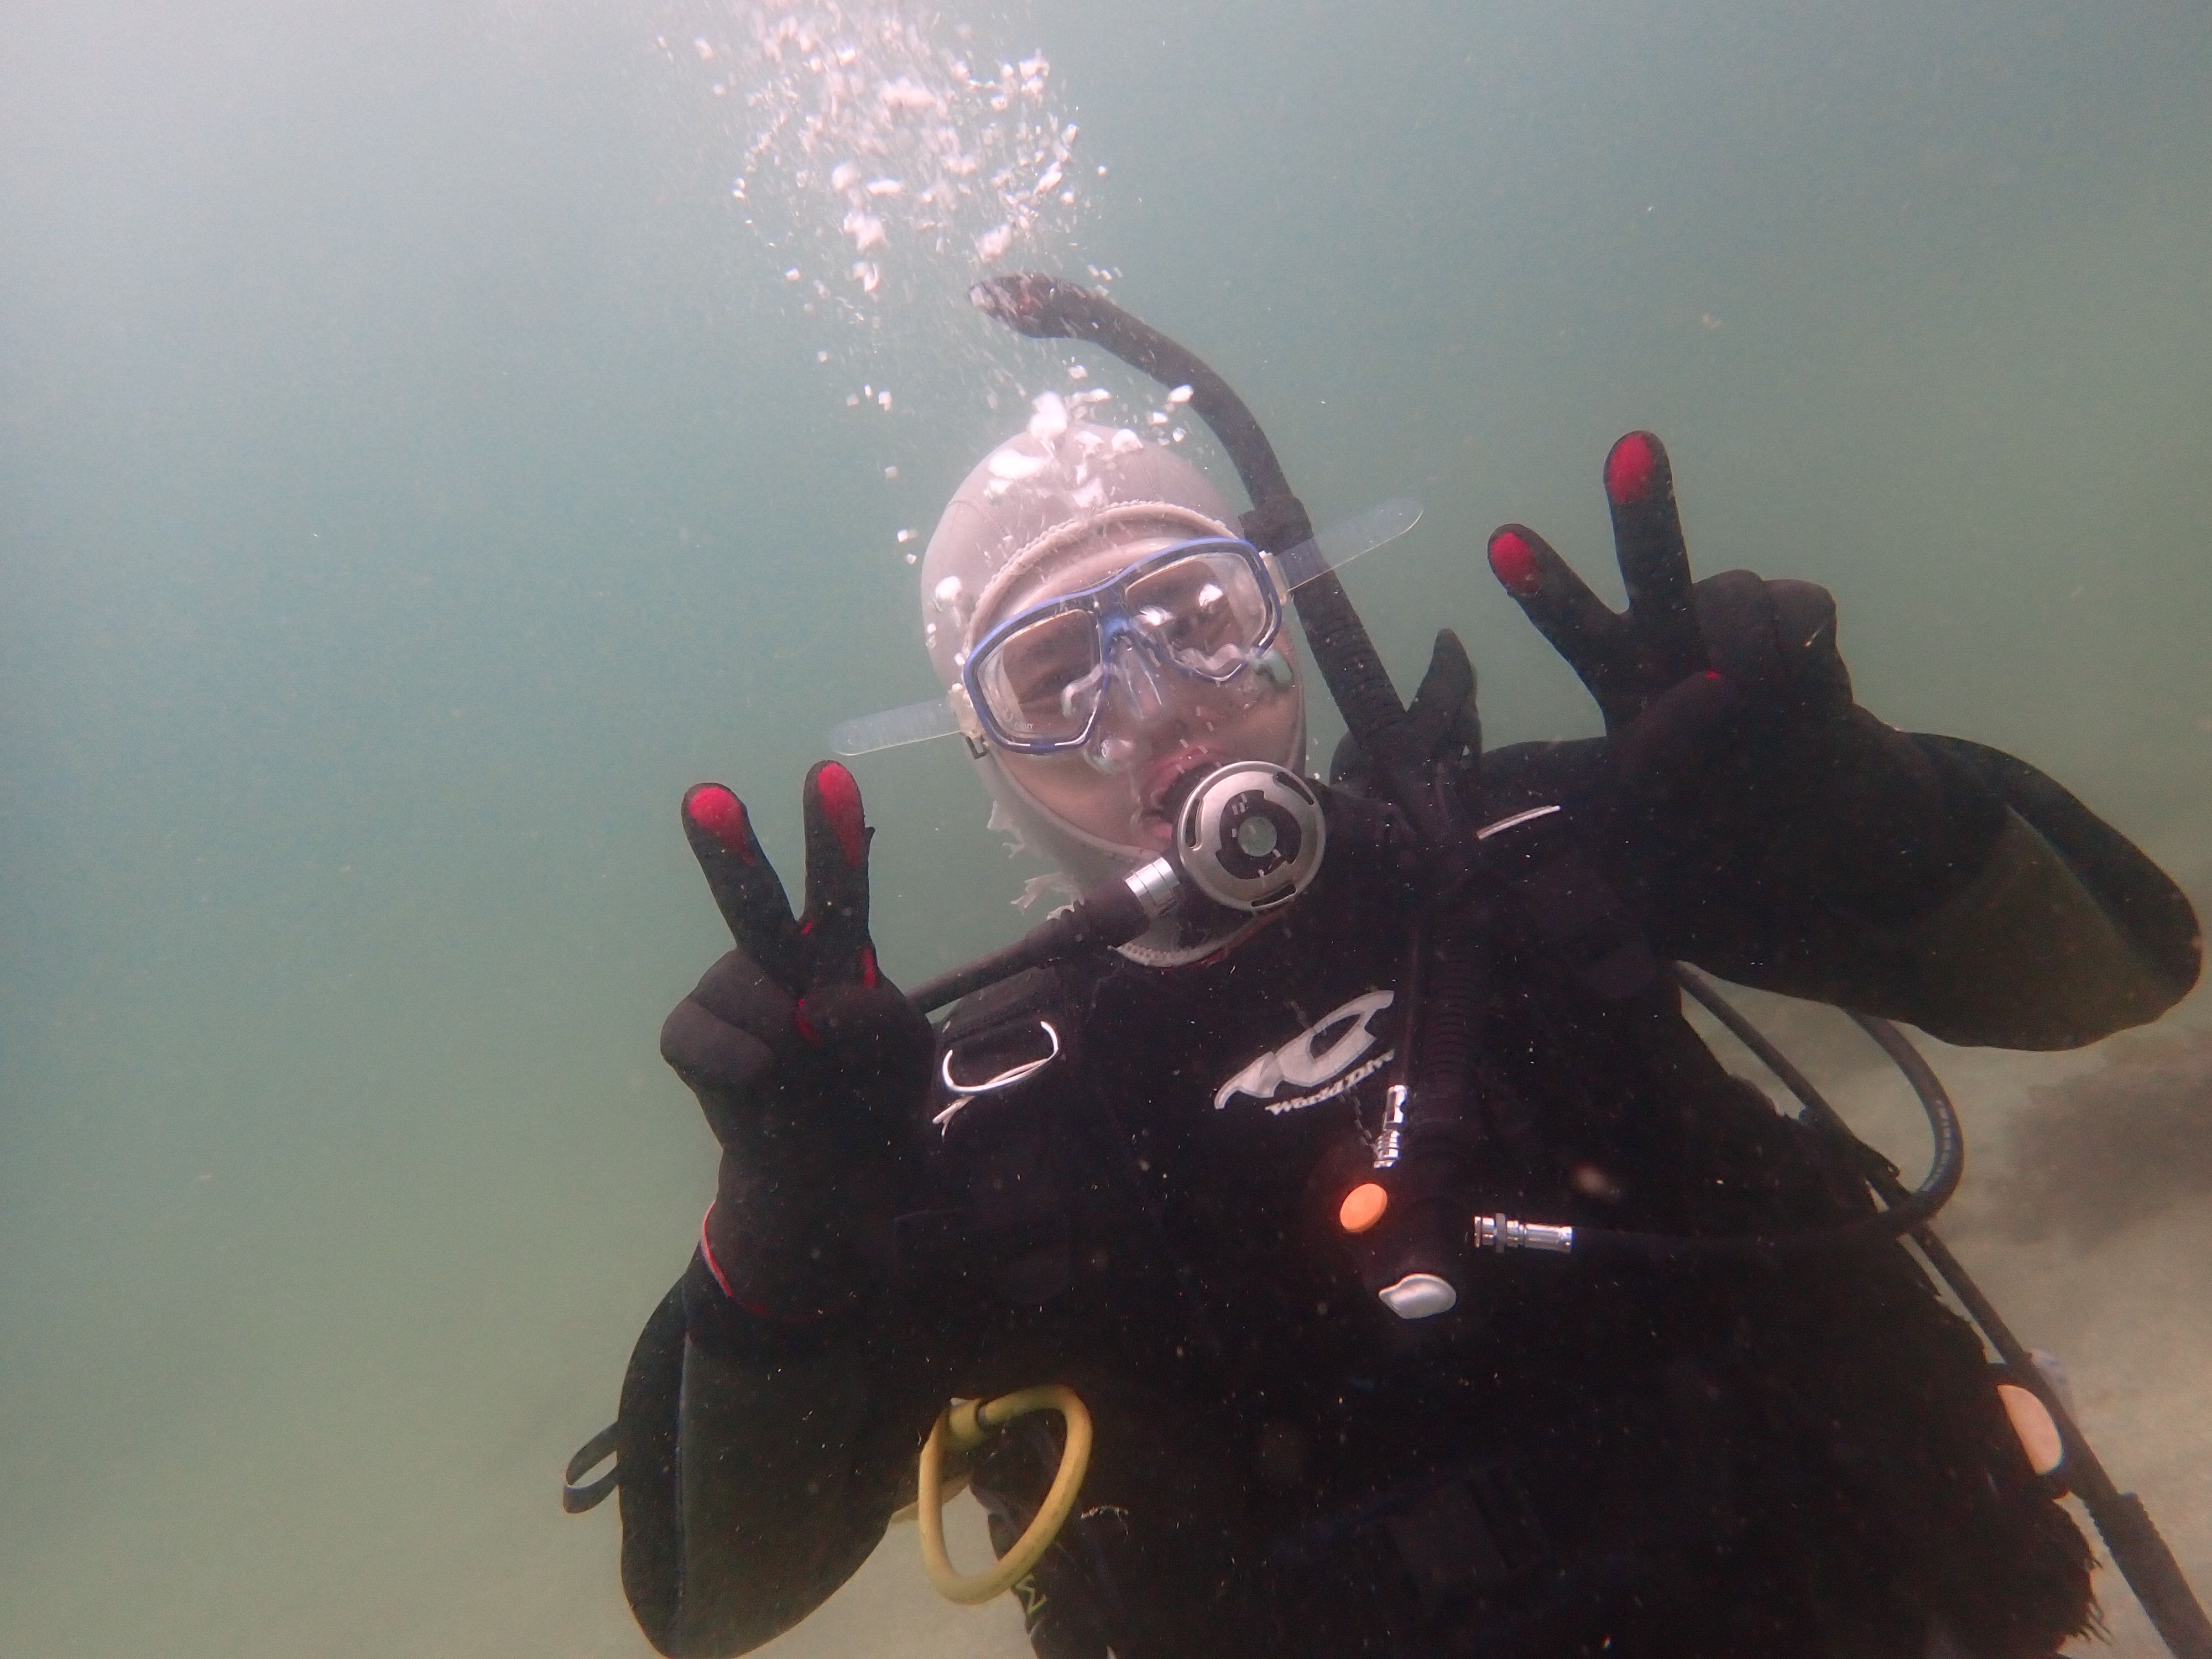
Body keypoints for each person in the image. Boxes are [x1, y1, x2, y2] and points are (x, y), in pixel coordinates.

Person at [592, 373, 2199, 1658]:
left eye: (1201, 617)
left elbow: (2126, 968)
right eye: (1055, 677)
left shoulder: (1533, 861)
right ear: (990, 759)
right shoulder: (973, 1128)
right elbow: (713, 1602)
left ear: (1282, 627)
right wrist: (786, 1223)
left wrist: (1852, 809)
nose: (1156, 705)